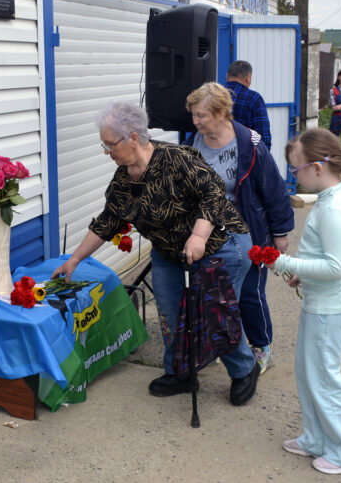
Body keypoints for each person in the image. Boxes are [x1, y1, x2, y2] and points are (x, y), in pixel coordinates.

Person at [53, 102, 260, 405]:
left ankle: (244, 369)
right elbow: (107, 220)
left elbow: (213, 191)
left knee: (215, 313)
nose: (106, 151)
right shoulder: (124, 178)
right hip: (168, 252)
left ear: (133, 138)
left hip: (220, 244)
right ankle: (181, 371)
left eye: (110, 144)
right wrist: (74, 260)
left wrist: (199, 235)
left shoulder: (176, 159)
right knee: (171, 315)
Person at [274, 128, 341, 475]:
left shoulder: (332, 208)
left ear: (317, 168)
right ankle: (317, 437)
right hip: (325, 299)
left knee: (325, 378)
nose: (293, 175)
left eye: (295, 168)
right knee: (308, 372)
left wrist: (283, 262)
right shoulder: (333, 198)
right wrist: (306, 274)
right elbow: (329, 260)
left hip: (332, 305)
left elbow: (335, 266)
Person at [184, 82, 293, 374]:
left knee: (248, 293)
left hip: (249, 230)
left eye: (201, 115)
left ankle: (261, 347)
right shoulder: (193, 142)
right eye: (193, 115)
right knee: (217, 292)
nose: (195, 121)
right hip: (210, 233)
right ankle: (225, 344)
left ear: (221, 113)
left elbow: (273, 188)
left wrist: (280, 233)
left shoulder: (249, 143)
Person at [224, 60, 272, 149]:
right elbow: (263, 137)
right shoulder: (254, 98)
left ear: (227, 76)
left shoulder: (214, 96)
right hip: (244, 157)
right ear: (248, 77)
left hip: (215, 156)